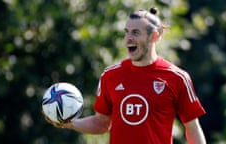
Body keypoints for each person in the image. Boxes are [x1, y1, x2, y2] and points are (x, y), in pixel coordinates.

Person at [44, 7, 206, 144]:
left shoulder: (177, 77)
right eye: (127, 32)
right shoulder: (110, 75)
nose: (128, 38)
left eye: (136, 33)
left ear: (154, 36)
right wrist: (71, 124)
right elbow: (101, 123)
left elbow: (192, 129)